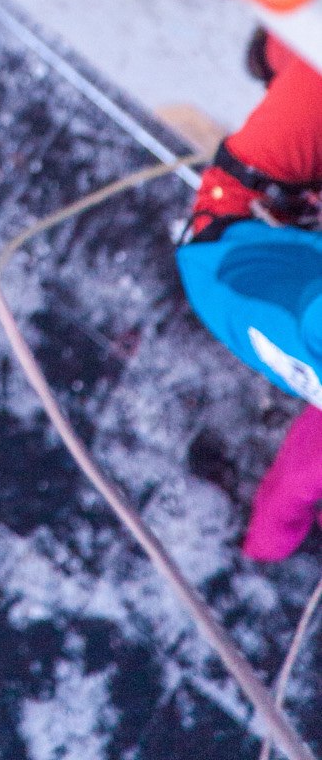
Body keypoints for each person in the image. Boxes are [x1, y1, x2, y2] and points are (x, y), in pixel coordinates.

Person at [180, 29, 322, 560]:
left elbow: (290, 489)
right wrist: (266, 549)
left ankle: (276, 52)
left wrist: (263, 548)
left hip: (238, 214)